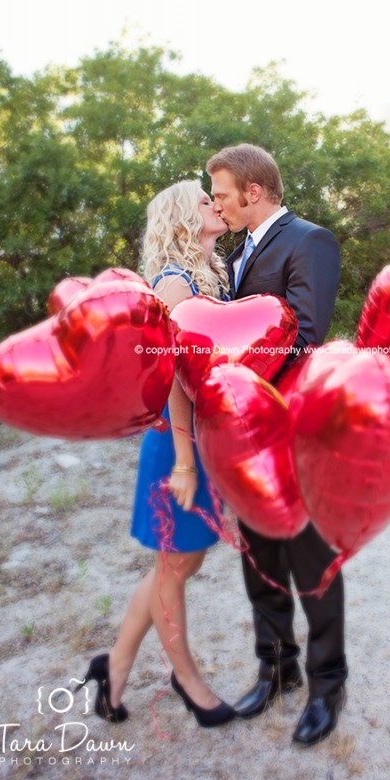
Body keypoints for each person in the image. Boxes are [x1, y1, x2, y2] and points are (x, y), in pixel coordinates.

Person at [76, 180, 235, 729]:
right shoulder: (173, 281)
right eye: (203, 197)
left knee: (183, 560)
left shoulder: (214, 273)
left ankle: (113, 665)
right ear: (180, 217)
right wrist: (187, 463)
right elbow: (172, 379)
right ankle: (186, 678)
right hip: (176, 442)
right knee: (174, 564)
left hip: (205, 438)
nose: (216, 202)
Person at [207, 144, 347, 746]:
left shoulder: (309, 240)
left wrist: (238, 376)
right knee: (258, 554)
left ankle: (327, 683)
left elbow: (306, 338)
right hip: (243, 430)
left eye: (221, 194)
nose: (217, 204)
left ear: (254, 192)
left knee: (309, 558)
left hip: (289, 424)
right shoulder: (239, 251)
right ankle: (277, 669)